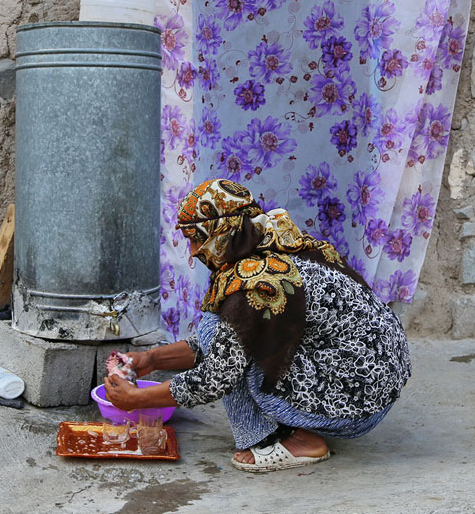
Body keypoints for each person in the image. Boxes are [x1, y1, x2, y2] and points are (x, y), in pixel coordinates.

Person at [103, 178, 411, 472]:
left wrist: (138, 400)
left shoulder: (257, 285)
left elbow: (217, 375)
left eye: (197, 239)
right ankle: (306, 417)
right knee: (219, 330)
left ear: (223, 230)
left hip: (359, 403)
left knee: (238, 359)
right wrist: (150, 359)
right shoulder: (274, 240)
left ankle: (283, 440)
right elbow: (221, 338)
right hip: (370, 381)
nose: (194, 252)